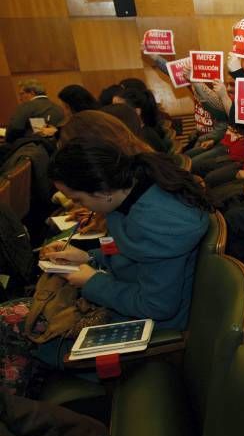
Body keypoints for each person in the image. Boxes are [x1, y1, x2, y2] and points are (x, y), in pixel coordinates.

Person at [43, 136, 212, 335]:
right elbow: (131, 250)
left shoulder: (155, 226)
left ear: (102, 191)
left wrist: (93, 282)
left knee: (40, 336)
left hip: (154, 325)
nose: (80, 206)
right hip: (135, 300)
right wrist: (90, 256)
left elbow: (157, 306)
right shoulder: (135, 190)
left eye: (78, 199)